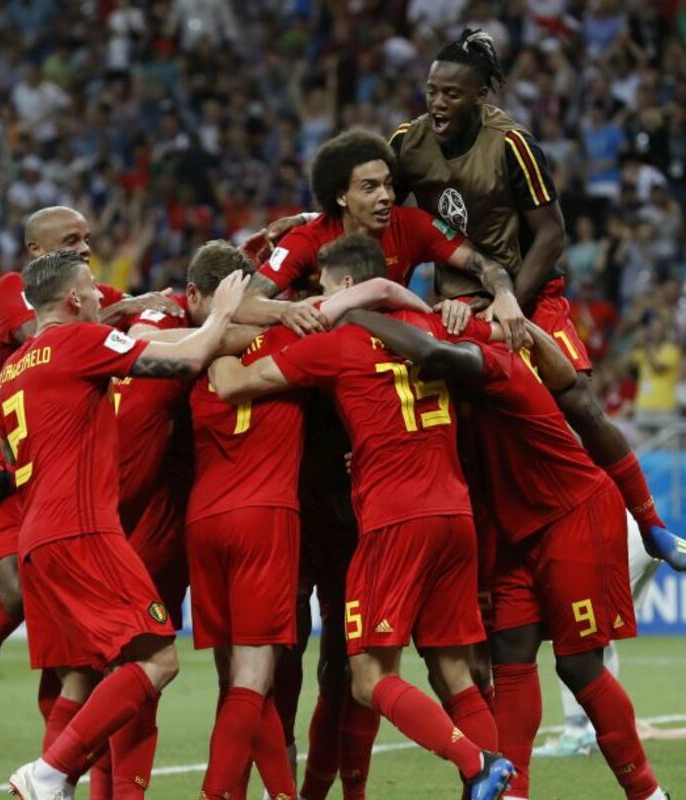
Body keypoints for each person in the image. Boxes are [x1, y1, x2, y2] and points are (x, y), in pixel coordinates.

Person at [207, 234, 516, 800]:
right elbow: (503, 345)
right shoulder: (433, 326)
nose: (317, 300)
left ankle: (477, 764)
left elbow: (233, 384)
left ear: (347, 287)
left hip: (394, 520)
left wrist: (217, 332)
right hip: (455, 514)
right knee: (456, 676)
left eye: (324, 288)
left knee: (369, 679)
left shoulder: (338, 343)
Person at [387, 27, 686, 572]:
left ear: (480, 95)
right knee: (455, 421)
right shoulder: (406, 143)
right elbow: (381, 214)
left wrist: (507, 299)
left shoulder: (512, 145)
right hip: (457, 302)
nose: (437, 103)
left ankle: (650, 524)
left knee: (577, 399)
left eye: (451, 94)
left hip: (529, 294)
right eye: (432, 91)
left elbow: (552, 234)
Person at [340, 308, 672, 800]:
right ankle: (513, 791)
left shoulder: (496, 359)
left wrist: (356, 310)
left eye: (456, 301)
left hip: (570, 516)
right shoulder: (457, 386)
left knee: (578, 665)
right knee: (510, 654)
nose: (446, 309)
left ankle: (648, 793)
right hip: (515, 533)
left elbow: (435, 352)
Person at [2, 249, 248, 798]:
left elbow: (10, 451)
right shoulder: (78, 340)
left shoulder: (13, 367)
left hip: (37, 536)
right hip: (82, 529)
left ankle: (57, 780)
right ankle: (50, 772)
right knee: (157, 660)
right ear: (72, 298)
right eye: (92, 287)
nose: (101, 296)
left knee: (91, 673)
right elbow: (186, 358)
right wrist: (221, 313)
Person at [0, 206, 182, 736]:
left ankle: (57, 759)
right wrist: (127, 309)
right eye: (71, 241)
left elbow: (149, 314)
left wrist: (166, 307)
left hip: (41, 468)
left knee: (72, 648)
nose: (85, 249)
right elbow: (45, 333)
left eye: (86, 238)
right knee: (19, 591)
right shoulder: (15, 289)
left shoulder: (91, 294)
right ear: (36, 251)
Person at [239, 129, 525, 350]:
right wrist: (288, 310)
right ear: (341, 197)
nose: (386, 196)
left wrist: (504, 296)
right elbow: (246, 303)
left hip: (389, 345)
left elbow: (485, 265)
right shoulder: (306, 239)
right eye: (370, 188)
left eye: (387, 184)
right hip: (322, 351)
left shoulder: (411, 224)